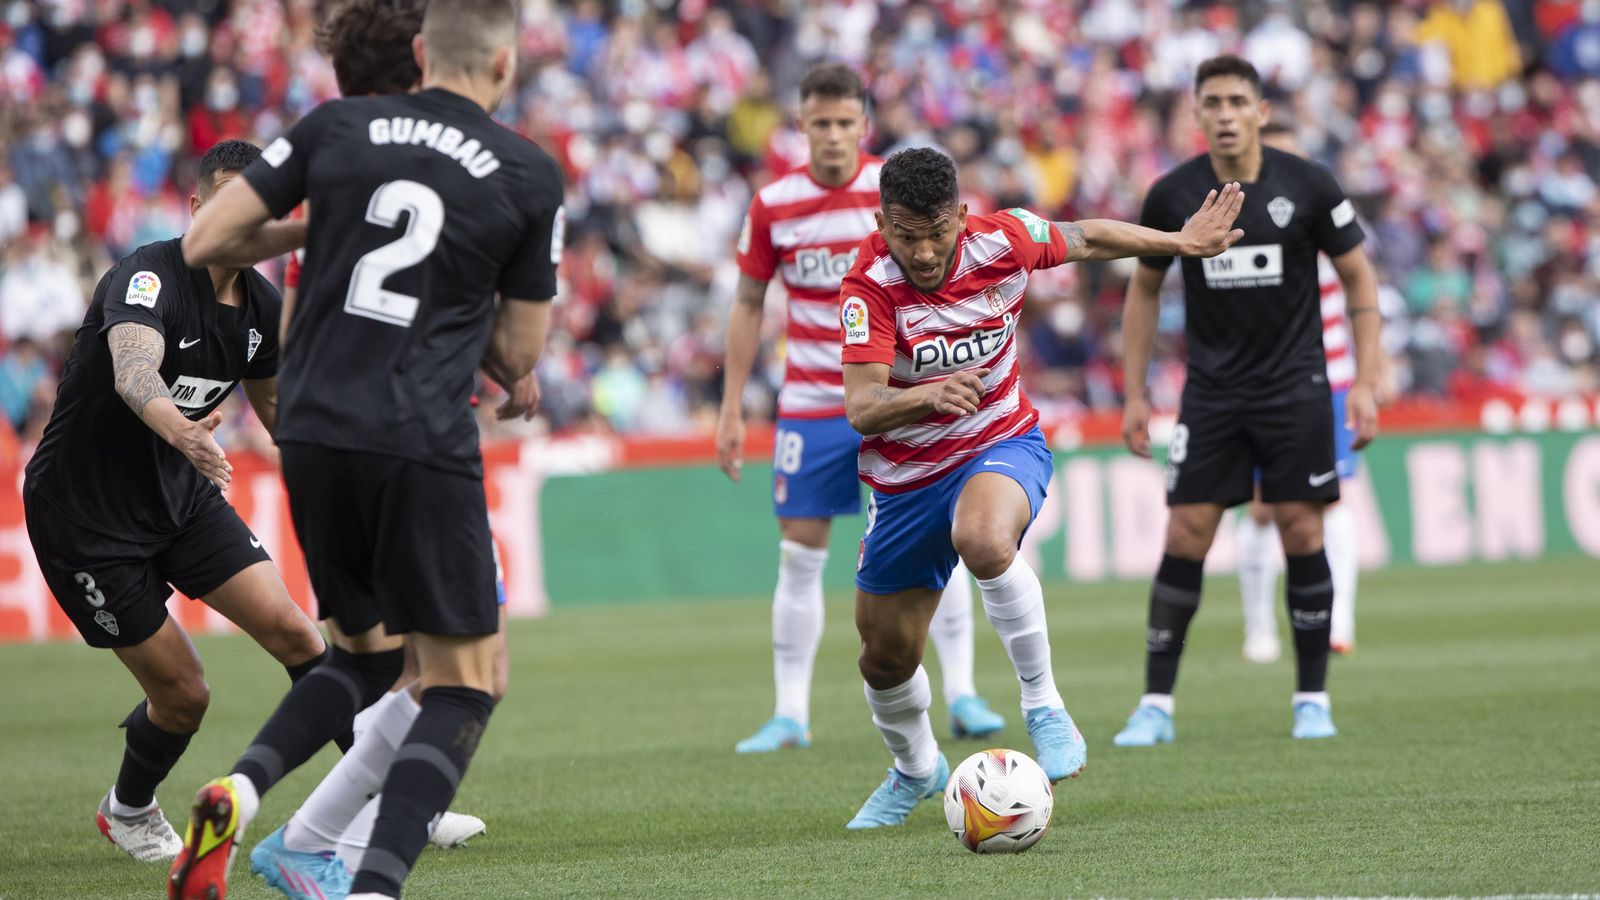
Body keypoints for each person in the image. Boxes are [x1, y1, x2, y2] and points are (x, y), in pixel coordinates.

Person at [168, 0, 562, 897]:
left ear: (427, 54)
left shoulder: (335, 128)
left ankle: (248, 791)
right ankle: (376, 886)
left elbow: (207, 240)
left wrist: (327, 223)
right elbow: (520, 356)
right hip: (420, 435)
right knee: (466, 685)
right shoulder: (524, 171)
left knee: (366, 658)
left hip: (310, 429)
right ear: (504, 68)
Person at [838, 147, 1244, 828]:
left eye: (938, 231)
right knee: (883, 657)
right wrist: (928, 396)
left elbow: (1088, 236)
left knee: (983, 538)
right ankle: (916, 770)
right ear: (883, 224)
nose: (927, 251)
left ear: (961, 217)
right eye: (907, 236)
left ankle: (1044, 706)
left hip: (1000, 443)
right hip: (906, 482)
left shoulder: (1005, 240)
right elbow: (862, 405)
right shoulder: (868, 285)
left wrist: (1180, 242)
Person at [21, 139, 327, 863]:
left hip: (179, 496)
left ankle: (390, 801)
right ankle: (128, 809)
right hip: (85, 517)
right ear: (196, 208)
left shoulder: (261, 309)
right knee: (187, 695)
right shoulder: (149, 275)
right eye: (226, 199)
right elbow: (134, 374)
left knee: (300, 635)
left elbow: (283, 417)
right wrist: (185, 434)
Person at [718, 62, 1002, 755]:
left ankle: (963, 691)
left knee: (935, 545)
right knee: (799, 556)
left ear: (863, 126)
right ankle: (790, 713)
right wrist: (731, 406)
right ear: (801, 125)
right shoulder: (773, 205)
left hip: (902, 400)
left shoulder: (896, 197)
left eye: (847, 122)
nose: (835, 136)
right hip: (814, 404)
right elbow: (750, 302)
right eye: (822, 123)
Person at [1114, 55, 1382, 748]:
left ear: (1261, 111)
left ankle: (1312, 698)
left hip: (1295, 389)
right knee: (1184, 536)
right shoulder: (1173, 195)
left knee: (1302, 531)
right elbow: (1143, 290)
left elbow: (1359, 279)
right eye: (1213, 102)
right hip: (1212, 395)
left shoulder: (1309, 186)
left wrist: (1370, 380)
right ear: (1197, 114)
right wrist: (1135, 394)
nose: (1226, 114)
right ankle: (1155, 706)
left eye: (1238, 101)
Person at [1236, 122, 1368, 664]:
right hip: (1261, 386)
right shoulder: (1243, 220)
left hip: (1328, 382)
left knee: (1330, 499)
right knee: (1265, 508)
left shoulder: (1323, 214)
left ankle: (1339, 619)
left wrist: (1369, 378)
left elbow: (1361, 284)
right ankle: (1260, 627)